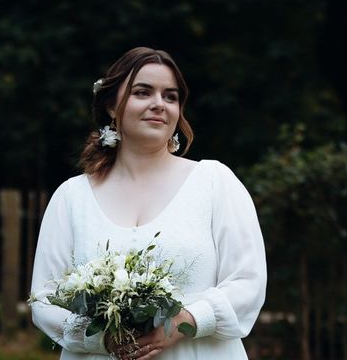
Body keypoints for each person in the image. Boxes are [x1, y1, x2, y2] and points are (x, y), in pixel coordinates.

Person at [30, 47, 266, 359]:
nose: (159, 104)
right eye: (143, 92)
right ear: (112, 107)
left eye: (170, 96)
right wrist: (100, 339)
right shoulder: (72, 198)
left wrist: (185, 322)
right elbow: (44, 300)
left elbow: (248, 280)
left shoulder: (214, 182)